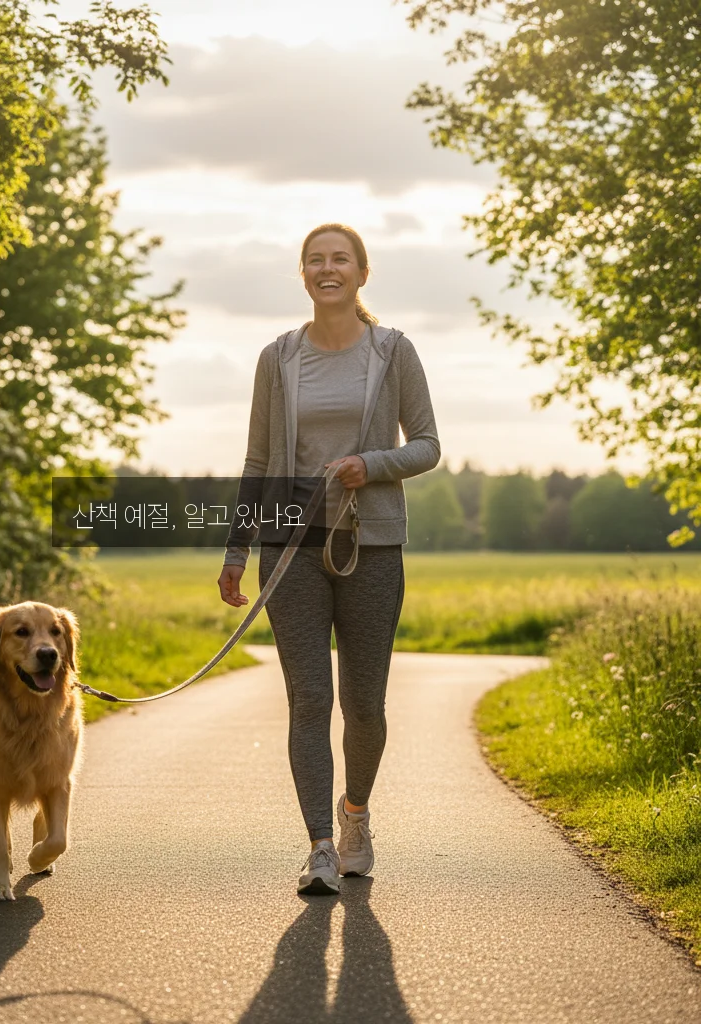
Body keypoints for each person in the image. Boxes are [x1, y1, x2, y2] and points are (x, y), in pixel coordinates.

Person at [217, 223, 440, 895]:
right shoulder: (278, 358)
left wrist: (367, 465)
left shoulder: (393, 351)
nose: (327, 268)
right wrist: (236, 546)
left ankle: (356, 815)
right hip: (290, 550)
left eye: (339, 258)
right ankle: (318, 846)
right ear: (304, 275)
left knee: (363, 703)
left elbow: (427, 445)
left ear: (361, 273)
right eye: (315, 260)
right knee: (309, 698)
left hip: (370, 547)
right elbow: (258, 460)